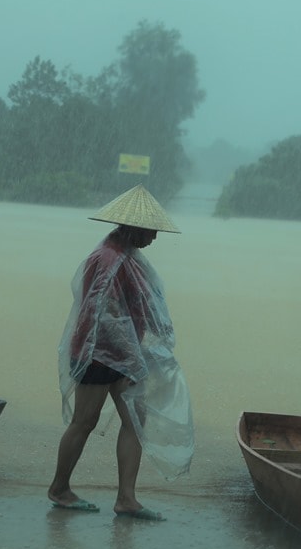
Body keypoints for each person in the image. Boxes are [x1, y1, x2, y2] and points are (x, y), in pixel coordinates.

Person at [48, 184, 194, 521]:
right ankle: (59, 488)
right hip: (96, 353)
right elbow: (103, 312)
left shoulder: (127, 256)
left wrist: (137, 352)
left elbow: (135, 307)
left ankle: (126, 498)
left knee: (134, 421)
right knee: (85, 420)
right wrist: (130, 355)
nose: (155, 237)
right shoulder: (108, 258)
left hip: (123, 355)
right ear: (134, 227)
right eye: (151, 230)